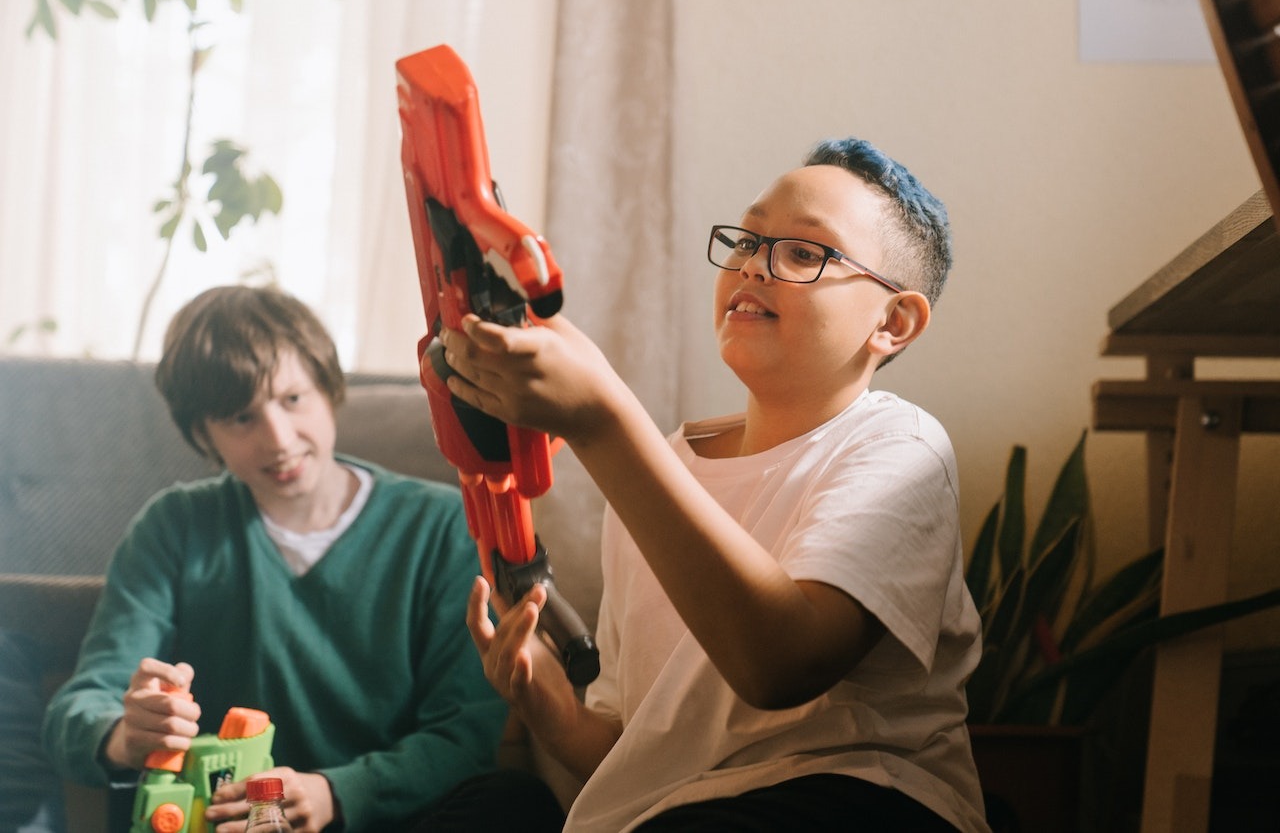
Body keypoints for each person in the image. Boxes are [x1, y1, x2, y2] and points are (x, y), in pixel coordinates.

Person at [442, 137, 991, 832]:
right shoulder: (668, 461)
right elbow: (641, 750)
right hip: (676, 814)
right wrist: (556, 712)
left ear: (893, 321)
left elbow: (779, 665)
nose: (754, 264)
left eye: (802, 252)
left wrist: (604, 421)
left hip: (855, 799)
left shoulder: (900, 448)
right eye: (748, 239)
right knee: (491, 807)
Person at [41, 286, 511, 832]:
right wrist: (124, 733)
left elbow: (464, 734)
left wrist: (335, 792)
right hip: (226, 819)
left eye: (293, 400)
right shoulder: (173, 527)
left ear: (329, 388)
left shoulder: (442, 527)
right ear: (202, 434)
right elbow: (79, 707)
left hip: (393, 816)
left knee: (514, 802)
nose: (279, 439)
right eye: (242, 418)